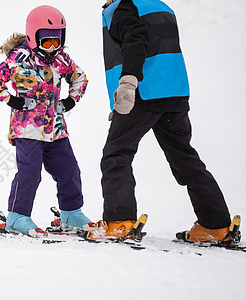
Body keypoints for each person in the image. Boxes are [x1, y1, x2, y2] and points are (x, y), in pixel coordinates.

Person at [88, 0, 235, 243]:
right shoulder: (161, 6)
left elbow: (136, 39)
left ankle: (119, 222)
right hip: (174, 92)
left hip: (143, 93)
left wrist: (128, 82)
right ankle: (215, 225)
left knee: (116, 154)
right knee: (185, 158)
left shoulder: (124, 7)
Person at [0, 5, 93, 236]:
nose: (52, 47)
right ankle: (17, 217)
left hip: (56, 129)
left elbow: (80, 78)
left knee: (69, 170)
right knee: (30, 172)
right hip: (27, 129)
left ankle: (71, 212)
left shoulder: (61, 59)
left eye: (57, 41)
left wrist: (71, 101)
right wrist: (12, 100)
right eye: (47, 42)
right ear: (34, 37)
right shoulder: (19, 59)